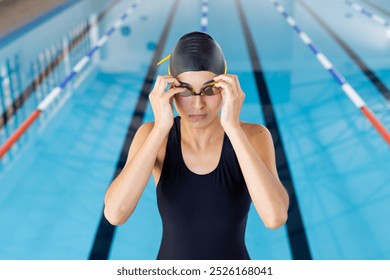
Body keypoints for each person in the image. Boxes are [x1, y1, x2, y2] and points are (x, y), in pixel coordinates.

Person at [103, 31, 289, 260]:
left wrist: (232, 127)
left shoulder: (253, 135)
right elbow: (115, 214)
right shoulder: (152, 135)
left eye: (210, 90)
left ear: (226, 88)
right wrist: (162, 127)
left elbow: (275, 217)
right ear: (170, 90)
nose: (198, 104)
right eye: (186, 91)